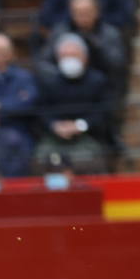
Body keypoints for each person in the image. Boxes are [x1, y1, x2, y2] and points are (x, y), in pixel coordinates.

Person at [34, 33, 112, 174]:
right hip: (55, 136)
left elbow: (103, 111)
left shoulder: (98, 81)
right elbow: (42, 110)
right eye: (65, 56)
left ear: (85, 57)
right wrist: (55, 125)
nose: (69, 60)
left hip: (88, 135)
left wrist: (80, 125)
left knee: (92, 161)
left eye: (73, 55)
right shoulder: (50, 82)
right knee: (40, 158)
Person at [38, 0, 127, 95]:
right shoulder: (60, 32)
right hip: (64, 90)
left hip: (100, 91)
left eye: (87, 12)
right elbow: (43, 63)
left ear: (96, 11)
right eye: (79, 13)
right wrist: (61, 75)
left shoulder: (109, 34)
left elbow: (117, 65)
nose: (83, 18)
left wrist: (98, 48)